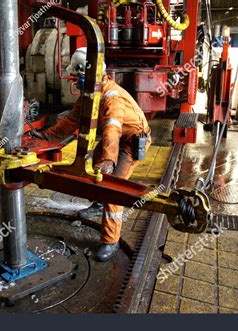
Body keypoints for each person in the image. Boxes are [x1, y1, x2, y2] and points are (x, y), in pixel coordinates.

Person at [34, 48, 152, 262]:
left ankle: (110, 241)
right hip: (115, 139)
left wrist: (109, 159)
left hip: (130, 142)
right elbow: (71, 122)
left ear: (86, 74)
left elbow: (112, 129)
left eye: (75, 76)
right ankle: (99, 204)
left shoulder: (111, 98)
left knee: (112, 187)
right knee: (95, 171)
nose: (74, 80)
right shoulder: (90, 94)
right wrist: (42, 137)